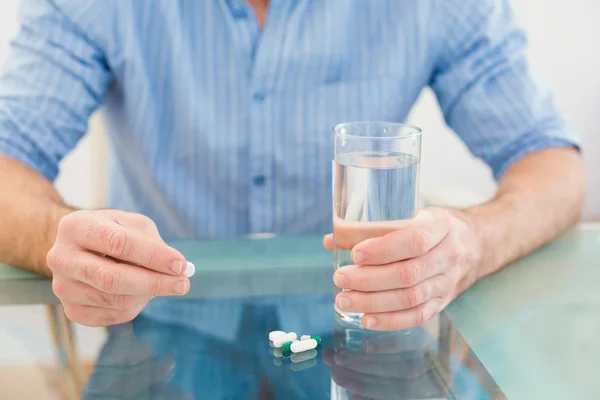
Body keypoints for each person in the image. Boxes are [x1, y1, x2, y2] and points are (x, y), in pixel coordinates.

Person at [0, 0, 586, 330]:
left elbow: (554, 167)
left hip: (358, 330)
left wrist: (476, 241)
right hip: (163, 329)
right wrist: (69, 241)